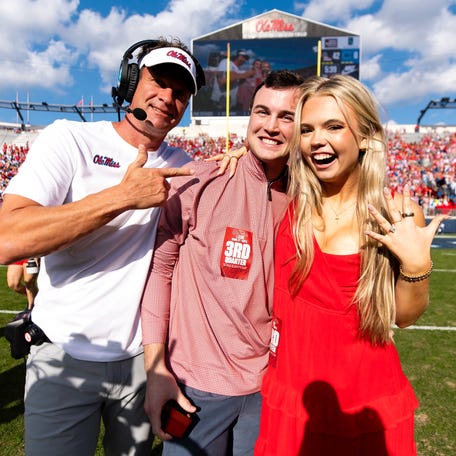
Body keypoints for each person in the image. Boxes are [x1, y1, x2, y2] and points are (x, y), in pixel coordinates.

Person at [0, 37, 208, 456]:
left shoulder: (186, 164)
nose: (168, 97)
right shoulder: (71, 139)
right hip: (63, 354)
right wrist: (122, 197)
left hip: (142, 364)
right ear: (129, 81)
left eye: (180, 92)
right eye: (159, 81)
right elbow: (8, 239)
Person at [254, 75, 447, 455]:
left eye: (334, 126)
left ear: (365, 138)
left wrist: (415, 264)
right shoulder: (289, 199)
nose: (316, 140)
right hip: (290, 396)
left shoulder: (398, 212)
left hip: (365, 403)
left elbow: (404, 317)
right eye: (306, 129)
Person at [141, 70, 305, 455]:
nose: (270, 126)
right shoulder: (200, 181)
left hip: (270, 389)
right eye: (262, 112)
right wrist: (155, 368)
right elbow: (159, 273)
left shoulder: (309, 198)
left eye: (287, 117)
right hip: (196, 389)